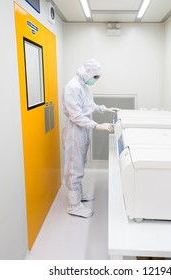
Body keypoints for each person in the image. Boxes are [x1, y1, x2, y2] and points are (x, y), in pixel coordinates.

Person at [62, 58, 119, 218]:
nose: (96, 80)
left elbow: (88, 105)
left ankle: (78, 195)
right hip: (75, 130)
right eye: (95, 77)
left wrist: (104, 108)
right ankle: (73, 205)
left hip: (83, 129)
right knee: (74, 166)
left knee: (81, 162)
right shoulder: (72, 87)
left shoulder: (83, 86)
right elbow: (76, 115)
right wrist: (97, 125)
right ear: (88, 73)